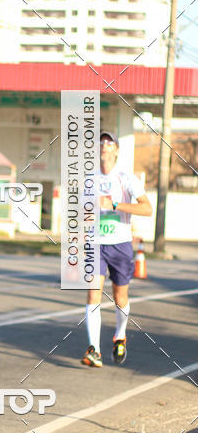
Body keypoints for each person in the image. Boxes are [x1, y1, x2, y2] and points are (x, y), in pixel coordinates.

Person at [82, 130, 152, 368]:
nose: (104, 145)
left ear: (116, 150)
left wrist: (114, 204)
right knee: (93, 294)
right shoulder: (89, 179)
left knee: (120, 297)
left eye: (109, 142)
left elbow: (146, 209)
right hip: (96, 244)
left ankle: (120, 334)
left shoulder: (126, 178)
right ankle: (95, 350)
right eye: (101, 142)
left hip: (121, 244)